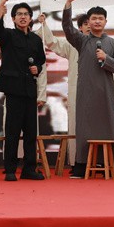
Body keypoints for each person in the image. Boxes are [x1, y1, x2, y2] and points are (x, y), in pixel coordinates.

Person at [61, 0, 114, 178]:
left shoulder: (112, 43)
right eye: (94, 19)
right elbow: (67, 28)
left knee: (108, 128)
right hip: (86, 92)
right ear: (88, 22)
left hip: (105, 93)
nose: (97, 21)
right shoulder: (81, 40)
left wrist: (106, 59)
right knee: (84, 127)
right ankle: (81, 165)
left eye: (100, 18)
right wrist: (68, 4)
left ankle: (109, 165)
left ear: (105, 21)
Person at [0, 0, 46, 181]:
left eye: (26, 14)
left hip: (30, 89)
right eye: (19, 14)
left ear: (30, 18)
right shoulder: (8, 35)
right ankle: (10, 169)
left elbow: (41, 60)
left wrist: (37, 68)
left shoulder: (36, 39)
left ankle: (29, 169)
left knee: (31, 132)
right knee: (13, 132)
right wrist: (0, 11)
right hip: (13, 89)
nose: (23, 17)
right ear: (13, 18)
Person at [37, 11, 90, 169]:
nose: (89, 26)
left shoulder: (104, 44)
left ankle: (97, 161)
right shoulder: (72, 44)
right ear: (79, 28)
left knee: (96, 126)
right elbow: (52, 42)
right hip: (76, 90)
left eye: (91, 23)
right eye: (85, 24)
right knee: (75, 124)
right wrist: (44, 24)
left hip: (96, 91)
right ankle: (77, 162)